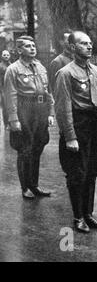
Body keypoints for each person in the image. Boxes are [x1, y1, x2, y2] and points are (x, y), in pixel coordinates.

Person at [55, 31, 97, 233]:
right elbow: (63, 108)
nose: (89, 46)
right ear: (72, 47)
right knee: (77, 173)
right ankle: (78, 216)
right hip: (79, 126)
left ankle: (89, 214)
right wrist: (70, 137)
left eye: (90, 43)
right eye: (83, 43)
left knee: (92, 170)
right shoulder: (66, 73)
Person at [3, 36, 55, 199]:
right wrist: (13, 119)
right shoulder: (13, 69)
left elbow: (48, 92)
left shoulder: (40, 66)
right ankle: (25, 187)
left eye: (33, 45)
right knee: (25, 149)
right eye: (27, 46)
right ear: (19, 50)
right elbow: (9, 96)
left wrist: (50, 113)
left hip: (40, 109)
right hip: (24, 109)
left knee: (38, 147)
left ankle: (34, 184)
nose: (33, 48)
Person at [0, 50, 12, 129]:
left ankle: (11, 122)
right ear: (1, 56)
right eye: (4, 55)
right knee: (5, 106)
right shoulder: (0, 66)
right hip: (3, 88)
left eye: (7, 55)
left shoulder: (11, 65)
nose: (6, 56)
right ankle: (6, 123)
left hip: (12, 88)